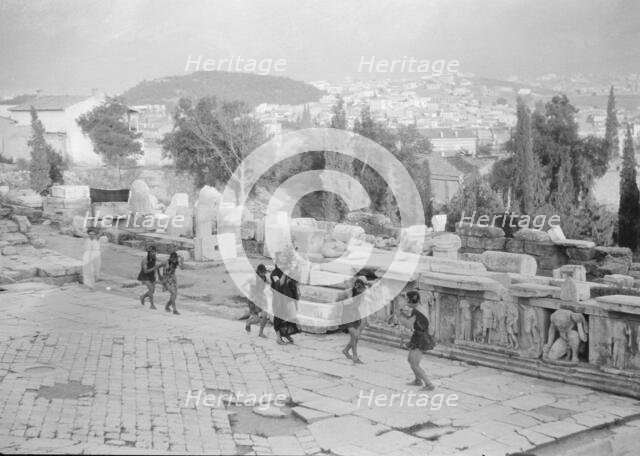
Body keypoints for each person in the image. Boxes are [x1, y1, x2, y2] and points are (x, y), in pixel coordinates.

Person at [397, 290, 436, 391]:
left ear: (410, 300)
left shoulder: (416, 311)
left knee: (414, 363)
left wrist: (400, 316)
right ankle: (418, 380)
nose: (405, 300)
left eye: (406, 299)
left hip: (420, 338)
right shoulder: (419, 307)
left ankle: (429, 384)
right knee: (410, 359)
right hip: (419, 335)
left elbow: (409, 325)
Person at [338, 277, 367, 364]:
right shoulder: (348, 292)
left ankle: (346, 350)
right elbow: (337, 300)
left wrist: (365, 319)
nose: (359, 290)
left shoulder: (362, 293)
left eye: (361, 288)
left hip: (355, 315)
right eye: (358, 287)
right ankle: (355, 356)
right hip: (347, 316)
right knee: (354, 336)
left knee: (356, 337)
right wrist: (343, 302)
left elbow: (362, 305)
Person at [270, 266, 300, 344]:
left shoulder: (288, 271)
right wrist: (284, 274)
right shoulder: (274, 274)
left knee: (289, 318)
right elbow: (279, 284)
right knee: (278, 318)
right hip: (279, 300)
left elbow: (294, 283)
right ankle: (278, 338)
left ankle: (286, 334)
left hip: (288, 299)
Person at [245, 264, 269, 337]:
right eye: (263, 273)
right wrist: (249, 294)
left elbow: (269, 284)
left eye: (265, 272)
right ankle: (248, 323)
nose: (264, 274)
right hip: (253, 301)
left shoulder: (265, 277)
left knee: (265, 315)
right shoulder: (252, 278)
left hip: (261, 299)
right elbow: (243, 285)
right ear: (259, 271)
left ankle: (260, 333)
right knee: (257, 320)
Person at [138, 245, 160, 309]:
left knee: (152, 291)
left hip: (151, 275)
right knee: (151, 289)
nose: (152, 253)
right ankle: (152, 305)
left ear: (155, 252)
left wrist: (157, 275)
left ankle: (143, 297)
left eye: (154, 252)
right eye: (151, 252)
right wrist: (154, 268)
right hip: (144, 276)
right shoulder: (145, 260)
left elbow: (155, 266)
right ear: (148, 252)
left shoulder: (154, 257)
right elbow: (145, 271)